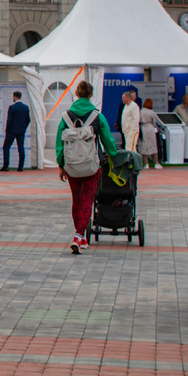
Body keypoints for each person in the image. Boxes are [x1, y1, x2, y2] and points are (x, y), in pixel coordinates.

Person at [56, 79, 118, 254]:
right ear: (91, 95)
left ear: (76, 93)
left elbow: (59, 143)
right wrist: (113, 155)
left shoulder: (66, 117)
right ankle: (78, 235)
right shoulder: (97, 116)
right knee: (87, 200)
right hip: (92, 165)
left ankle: (81, 235)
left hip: (72, 166)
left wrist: (61, 164)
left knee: (77, 199)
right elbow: (108, 140)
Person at [1, 91, 30, 171]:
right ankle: (21, 167)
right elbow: (28, 120)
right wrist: (24, 128)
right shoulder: (25, 107)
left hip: (11, 131)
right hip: (21, 131)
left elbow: (9, 120)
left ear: (14, 96)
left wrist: (7, 130)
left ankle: (6, 166)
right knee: (21, 148)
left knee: (6, 147)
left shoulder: (12, 107)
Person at [138, 98, 163, 169]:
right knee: (153, 145)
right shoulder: (152, 112)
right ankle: (156, 163)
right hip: (150, 128)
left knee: (143, 146)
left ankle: (146, 164)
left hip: (143, 127)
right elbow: (155, 122)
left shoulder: (141, 111)